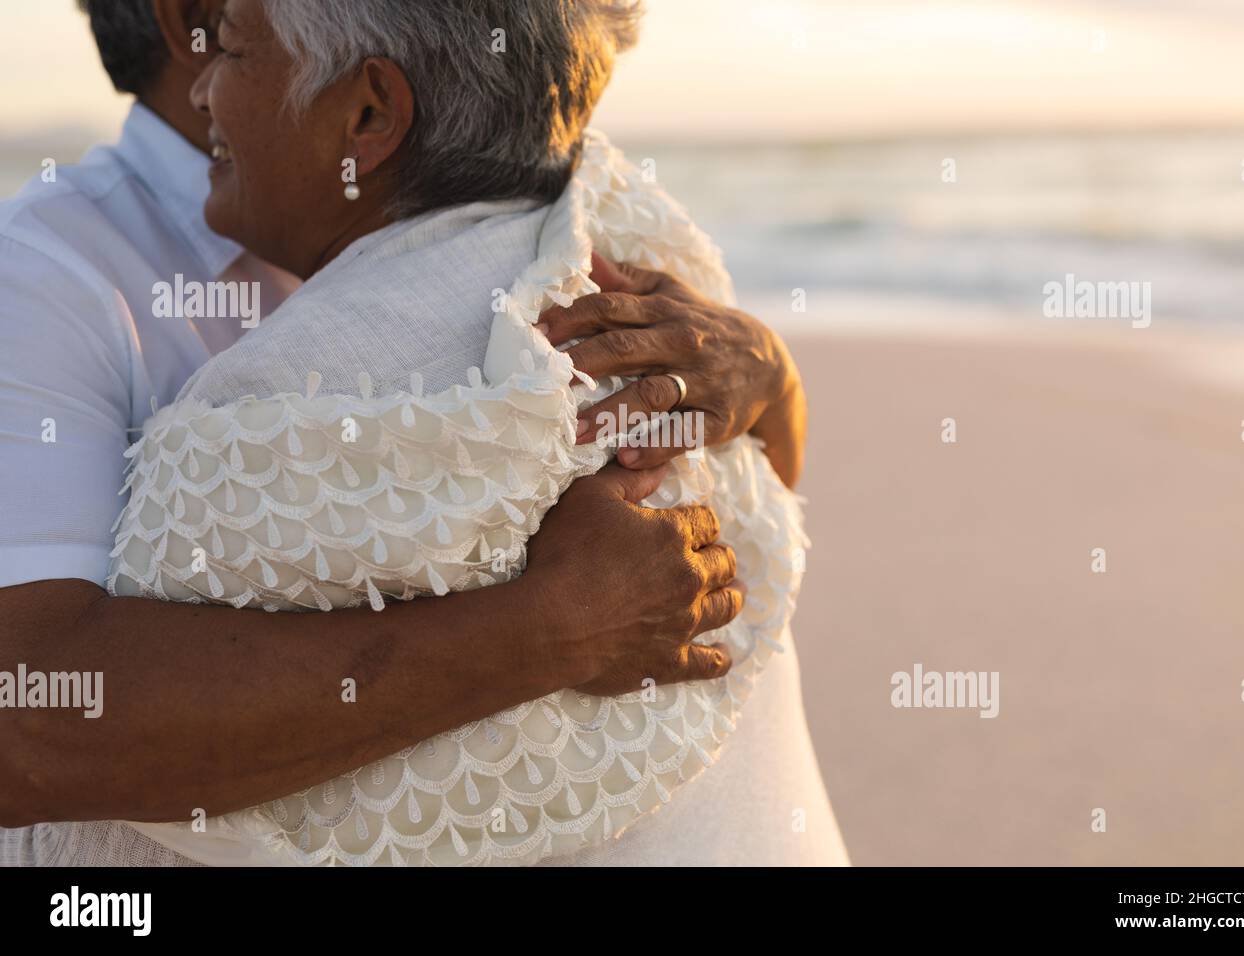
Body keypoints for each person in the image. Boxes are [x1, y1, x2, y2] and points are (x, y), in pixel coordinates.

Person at [0, 0, 841, 865]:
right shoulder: (47, 278)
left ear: (369, 117)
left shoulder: (561, 229)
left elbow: (753, 489)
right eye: (230, 44)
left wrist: (774, 379)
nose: (217, 91)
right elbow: (23, 726)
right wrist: (546, 628)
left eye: (242, 54)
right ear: (190, 20)